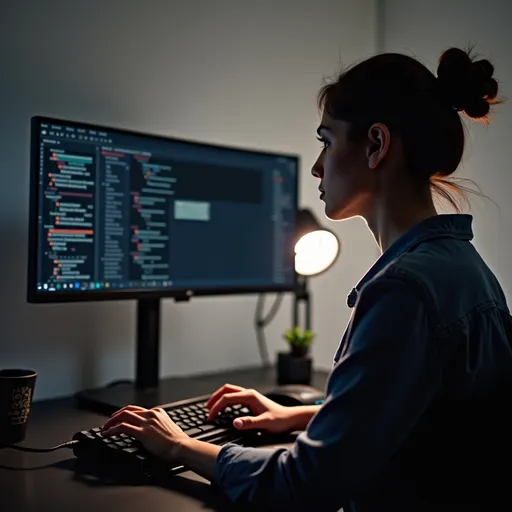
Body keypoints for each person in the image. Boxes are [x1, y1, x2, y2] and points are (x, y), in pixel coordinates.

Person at [101, 47, 512, 511]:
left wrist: (178, 445)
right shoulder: (465, 268)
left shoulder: (405, 291)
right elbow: (426, 416)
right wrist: (300, 414)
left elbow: (303, 486)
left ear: (377, 144)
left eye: (327, 141)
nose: (318, 166)